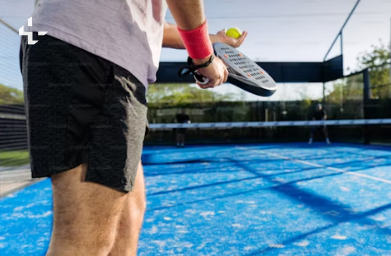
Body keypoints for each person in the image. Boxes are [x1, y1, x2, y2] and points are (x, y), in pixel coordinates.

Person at [19, 1, 247, 255]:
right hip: (95, 50)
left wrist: (213, 39)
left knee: (127, 221)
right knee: (85, 240)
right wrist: (203, 55)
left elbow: (149, 25)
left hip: (94, 50)